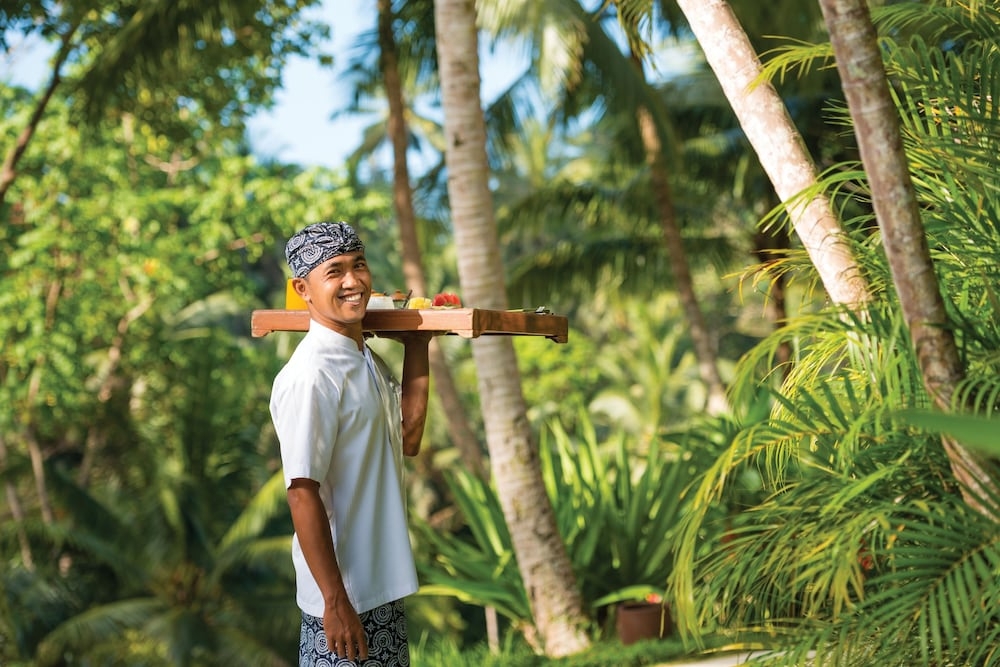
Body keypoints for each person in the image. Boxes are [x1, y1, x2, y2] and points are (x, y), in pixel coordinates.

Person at [269, 221, 433, 666]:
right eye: (335, 271)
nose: (352, 281)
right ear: (303, 289)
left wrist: (418, 347)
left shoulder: (365, 358)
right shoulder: (311, 376)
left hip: (382, 589)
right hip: (342, 599)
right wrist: (335, 603)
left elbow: (410, 438)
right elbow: (301, 492)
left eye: (358, 266)